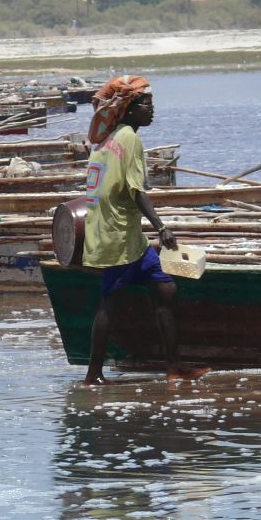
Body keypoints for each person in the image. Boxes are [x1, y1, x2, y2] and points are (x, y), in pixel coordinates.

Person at [82, 75, 207, 386]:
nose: (152, 111)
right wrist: (161, 227)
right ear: (130, 108)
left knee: (165, 289)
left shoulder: (108, 137)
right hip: (118, 235)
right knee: (109, 301)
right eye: (147, 106)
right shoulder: (129, 139)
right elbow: (137, 191)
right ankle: (93, 375)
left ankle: (174, 366)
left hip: (126, 236)